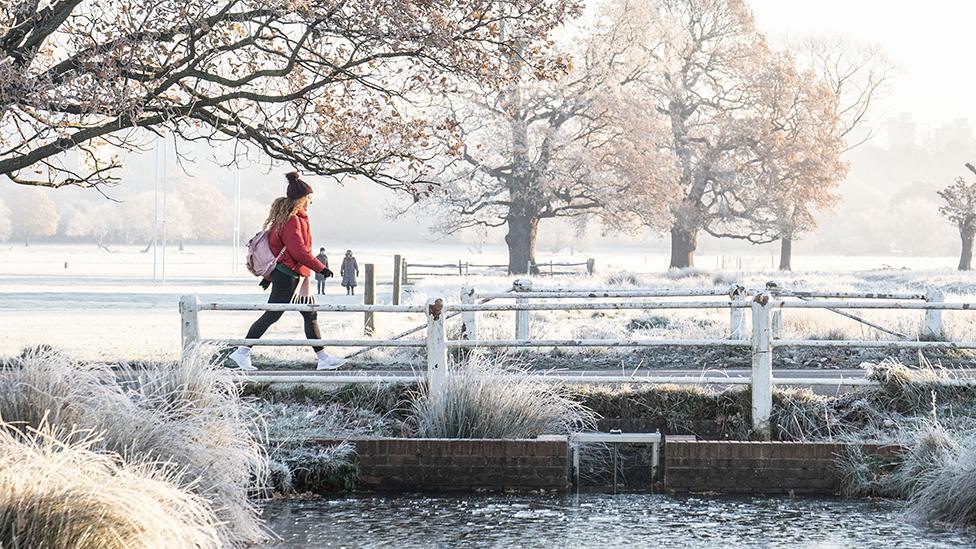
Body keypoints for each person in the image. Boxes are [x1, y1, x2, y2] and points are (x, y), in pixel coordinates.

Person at [229, 172, 345, 371]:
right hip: (289, 276)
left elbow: (279, 250)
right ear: (301, 199)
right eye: (309, 198)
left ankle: (323, 358)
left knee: (309, 314)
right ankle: (242, 352)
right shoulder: (292, 221)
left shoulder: (289, 219)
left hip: (293, 276)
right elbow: (298, 250)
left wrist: (269, 277)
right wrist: (321, 268)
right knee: (272, 314)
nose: (311, 202)